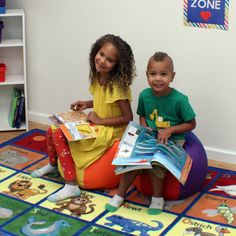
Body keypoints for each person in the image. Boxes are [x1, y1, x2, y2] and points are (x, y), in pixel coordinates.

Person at [31, 34, 136, 203]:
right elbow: (103, 101)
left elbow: (127, 117)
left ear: (118, 65)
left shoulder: (117, 86)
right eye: (101, 54)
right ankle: (53, 164)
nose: (102, 60)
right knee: (52, 130)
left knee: (60, 135)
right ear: (96, 51)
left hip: (110, 131)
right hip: (96, 123)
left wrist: (100, 121)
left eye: (109, 60)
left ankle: (71, 185)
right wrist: (86, 104)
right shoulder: (98, 75)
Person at [105, 51, 196, 215]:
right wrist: (144, 127)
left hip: (172, 139)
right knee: (131, 161)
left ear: (172, 76)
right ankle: (120, 194)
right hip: (150, 136)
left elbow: (191, 123)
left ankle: (157, 198)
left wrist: (170, 130)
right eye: (153, 74)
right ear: (147, 75)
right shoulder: (144, 95)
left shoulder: (180, 100)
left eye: (163, 74)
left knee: (156, 163)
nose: (158, 78)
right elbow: (143, 116)